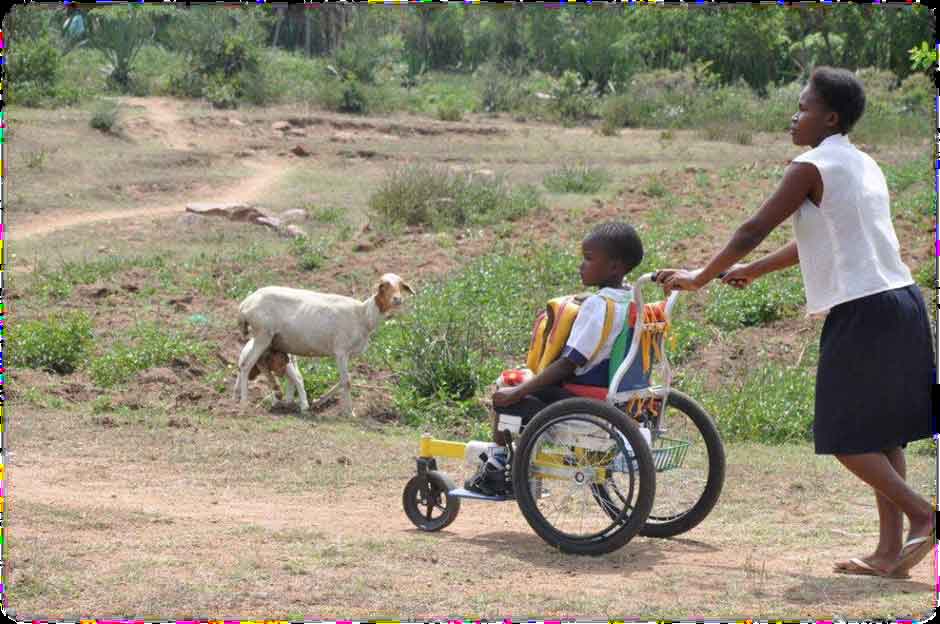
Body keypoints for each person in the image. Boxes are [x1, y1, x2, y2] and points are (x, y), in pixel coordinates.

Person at [656, 66, 935, 579]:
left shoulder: (807, 166)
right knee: (885, 434)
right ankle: (889, 553)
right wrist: (754, 272)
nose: (794, 115)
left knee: (846, 436)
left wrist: (698, 277)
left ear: (829, 117)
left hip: (864, 311)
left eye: (804, 107)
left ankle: (924, 514)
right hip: (903, 302)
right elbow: (823, 236)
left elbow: (752, 228)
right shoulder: (863, 164)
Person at [465, 221, 646, 496]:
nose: (581, 266)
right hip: (617, 395)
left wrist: (516, 392)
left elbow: (568, 363)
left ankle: (497, 466)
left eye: (588, 259)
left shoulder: (598, 306)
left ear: (614, 267)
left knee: (507, 386)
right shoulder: (632, 300)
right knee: (523, 387)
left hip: (584, 400)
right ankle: (510, 458)